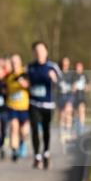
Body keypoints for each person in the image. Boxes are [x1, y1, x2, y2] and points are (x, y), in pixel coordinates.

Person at [26, 41, 60, 170]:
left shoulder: (52, 67)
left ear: (46, 52)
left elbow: (61, 85)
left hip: (48, 104)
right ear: (34, 53)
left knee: (46, 129)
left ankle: (46, 152)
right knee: (34, 128)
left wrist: (54, 79)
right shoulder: (30, 67)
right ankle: (37, 156)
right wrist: (25, 84)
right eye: (36, 51)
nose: (39, 53)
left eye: (41, 50)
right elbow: (25, 80)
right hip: (34, 103)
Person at [5, 53, 30, 162]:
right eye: (12, 62)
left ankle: (22, 142)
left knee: (24, 132)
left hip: (24, 107)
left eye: (16, 62)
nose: (14, 64)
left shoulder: (25, 73)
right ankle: (14, 151)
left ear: (20, 62)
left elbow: (28, 86)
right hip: (12, 106)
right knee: (14, 127)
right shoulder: (8, 76)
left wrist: (22, 81)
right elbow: (5, 89)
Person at [57, 56, 74, 140]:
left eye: (67, 62)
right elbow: (55, 85)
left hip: (69, 96)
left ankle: (68, 132)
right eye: (64, 62)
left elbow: (74, 86)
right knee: (62, 114)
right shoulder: (58, 74)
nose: (65, 64)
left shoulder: (71, 74)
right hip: (60, 96)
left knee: (68, 112)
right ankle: (62, 132)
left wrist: (72, 89)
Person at [73, 61, 89, 135]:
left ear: (82, 68)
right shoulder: (73, 76)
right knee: (76, 113)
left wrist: (87, 87)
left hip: (82, 96)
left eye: (80, 67)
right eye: (77, 67)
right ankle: (76, 130)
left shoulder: (85, 75)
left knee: (81, 111)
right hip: (74, 96)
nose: (78, 68)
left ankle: (82, 129)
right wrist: (73, 87)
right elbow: (69, 86)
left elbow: (89, 86)